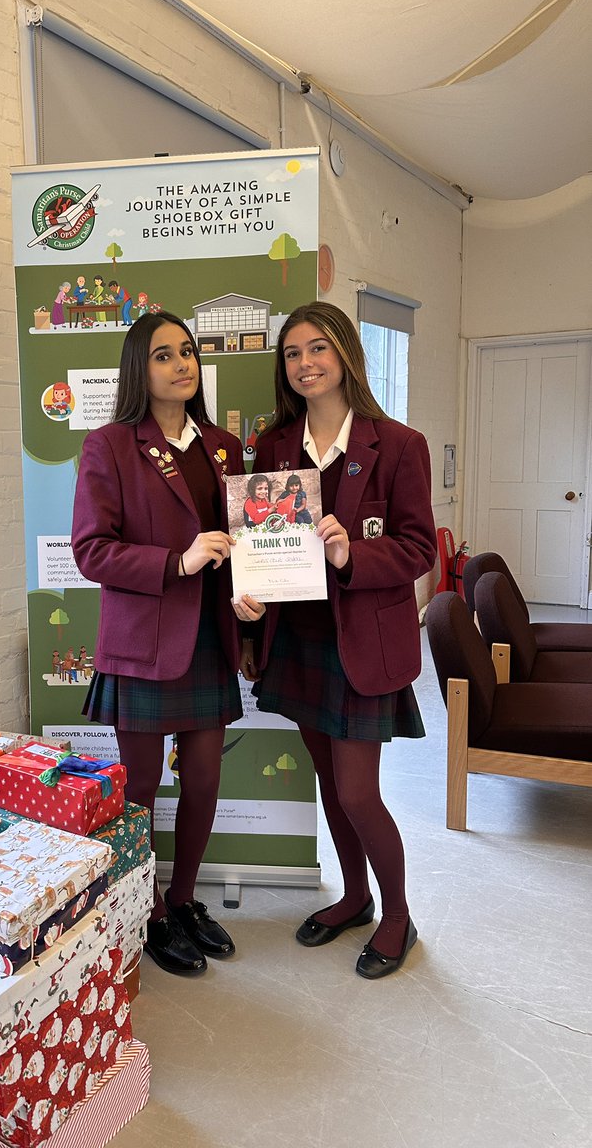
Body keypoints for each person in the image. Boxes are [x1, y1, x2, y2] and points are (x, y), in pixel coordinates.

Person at [239, 302, 436, 979]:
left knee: (358, 793)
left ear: (346, 354)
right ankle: (353, 896)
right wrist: (250, 595)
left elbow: (416, 549)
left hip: (361, 645)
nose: (305, 364)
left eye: (318, 348)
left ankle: (398, 913)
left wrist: (352, 554)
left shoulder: (399, 444)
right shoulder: (273, 446)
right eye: (292, 353)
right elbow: (261, 544)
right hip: (297, 636)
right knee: (328, 779)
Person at [72, 311, 262, 976]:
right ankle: (146, 910)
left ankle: (182, 900)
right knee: (143, 788)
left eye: (188, 353)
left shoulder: (224, 446)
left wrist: (251, 599)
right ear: (138, 368)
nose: (182, 364)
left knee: (206, 779)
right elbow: (93, 552)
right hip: (144, 644)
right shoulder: (110, 446)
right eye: (164, 355)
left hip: (209, 638)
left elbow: (247, 546)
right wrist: (176, 562)